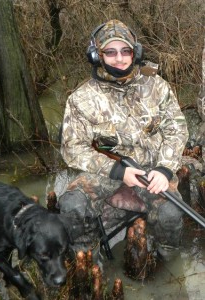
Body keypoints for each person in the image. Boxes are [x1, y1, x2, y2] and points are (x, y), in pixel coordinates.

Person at [58, 19, 189, 261]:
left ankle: (166, 261)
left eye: (125, 50)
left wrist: (164, 169)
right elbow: (72, 149)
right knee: (72, 205)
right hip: (105, 171)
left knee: (171, 212)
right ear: (97, 55)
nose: (119, 58)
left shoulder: (157, 86)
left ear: (135, 52)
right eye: (110, 52)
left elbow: (177, 130)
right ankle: (87, 261)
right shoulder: (81, 98)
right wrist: (116, 170)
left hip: (151, 170)